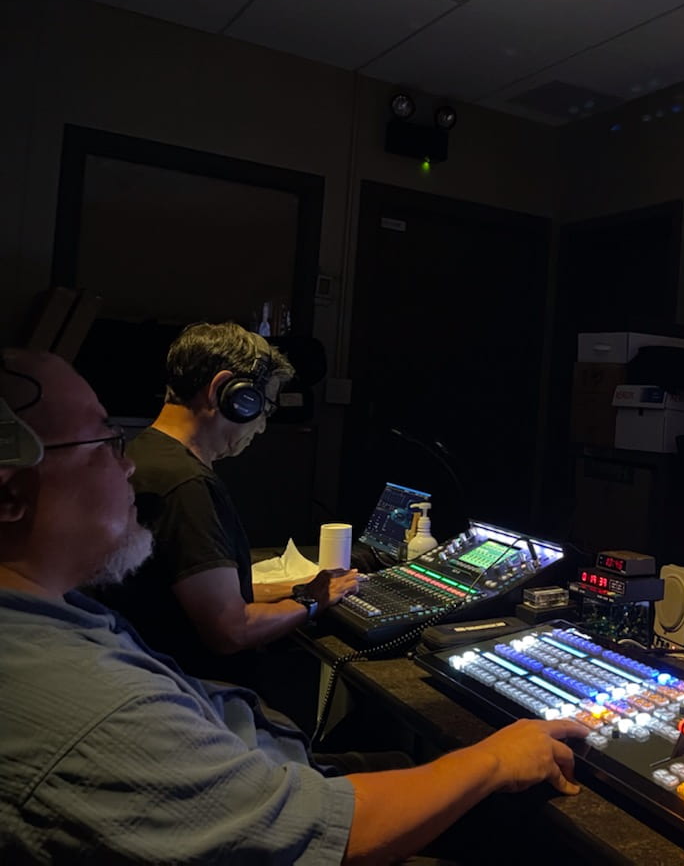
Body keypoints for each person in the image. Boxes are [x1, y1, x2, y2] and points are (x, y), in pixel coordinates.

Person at [0, 349, 588, 863]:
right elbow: (338, 833)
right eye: (105, 444)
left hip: (259, 755)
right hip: (284, 787)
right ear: (9, 495)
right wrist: (495, 758)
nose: (127, 464)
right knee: (532, 822)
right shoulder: (92, 709)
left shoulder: (53, 618)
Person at [94, 322, 359, 684]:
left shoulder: (144, 454)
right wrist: (314, 601)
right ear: (226, 392)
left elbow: (194, 592)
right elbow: (230, 630)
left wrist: (301, 587)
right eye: (264, 407)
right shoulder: (186, 485)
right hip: (203, 696)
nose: (263, 426)